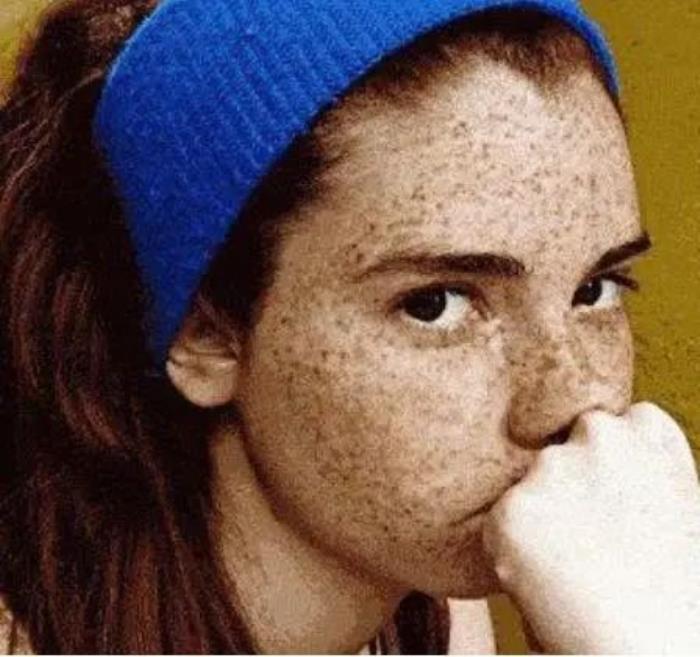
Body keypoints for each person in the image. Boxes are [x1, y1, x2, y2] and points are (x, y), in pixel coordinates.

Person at [0, 0, 699, 653]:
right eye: (436, 304)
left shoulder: (430, 613)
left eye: (593, 290)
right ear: (206, 334)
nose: (571, 401)